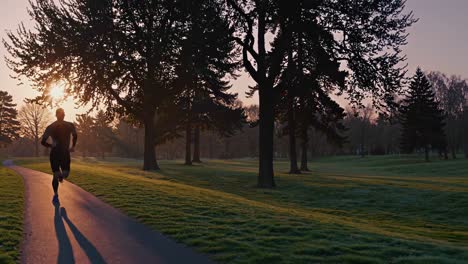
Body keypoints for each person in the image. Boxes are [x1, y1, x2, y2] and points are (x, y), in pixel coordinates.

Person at [41, 108, 78, 204]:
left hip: (65, 153)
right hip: (55, 154)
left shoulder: (70, 125)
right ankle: (56, 194)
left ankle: (61, 176)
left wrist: (73, 146)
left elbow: (75, 135)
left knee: (65, 174)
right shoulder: (50, 127)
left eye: (63, 114)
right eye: (60, 114)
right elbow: (43, 142)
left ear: (64, 115)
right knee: (55, 175)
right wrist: (51, 145)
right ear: (56, 115)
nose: (62, 115)